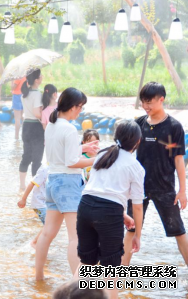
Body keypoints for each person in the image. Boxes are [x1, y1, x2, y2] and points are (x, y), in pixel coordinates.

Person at [35, 87, 99, 281]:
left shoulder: (52, 125)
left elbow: (63, 154)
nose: (81, 112)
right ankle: (77, 283)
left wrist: (83, 147)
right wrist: (95, 161)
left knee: (47, 233)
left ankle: (38, 277)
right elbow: (71, 162)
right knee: (75, 237)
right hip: (68, 184)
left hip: (53, 182)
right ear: (73, 107)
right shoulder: (70, 129)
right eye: (80, 108)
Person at [76, 120, 144, 299]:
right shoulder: (135, 166)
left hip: (85, 207)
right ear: (137, 142)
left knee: (86, 264)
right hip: (108, 213)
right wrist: (138, 234)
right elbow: (137, 207)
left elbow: (99, 190)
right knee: (110, 271)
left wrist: (121, 215)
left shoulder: (103, 153)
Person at [123, 82, 187, 265]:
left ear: (162, 99)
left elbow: (178, 159)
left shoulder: (174, 127)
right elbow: (126, 155)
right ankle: (118, 280)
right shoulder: (138, 125)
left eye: (149, 101)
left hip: (165, 187)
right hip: (137, 186)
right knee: (131, 231)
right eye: (143, 101)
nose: (145, 106)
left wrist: (182, 190)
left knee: (179, 232)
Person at [19, 69, 44, 191]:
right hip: (36, 127)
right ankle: (35, 188)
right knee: (37, 158)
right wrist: (44, 114)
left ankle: (22, 185)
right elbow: (36, 113)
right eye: (40, 76)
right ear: (36, 80)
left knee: (26, 156)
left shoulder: (25, 94)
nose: (42, 77)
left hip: (26, 126)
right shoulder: (37, 94)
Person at [17, 164, 48, 248]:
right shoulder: (45, 169)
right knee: (49, 225)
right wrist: (23, 199)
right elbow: (32, 183)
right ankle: (35, 242)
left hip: (48, 203)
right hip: (40, 204)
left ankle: (39, 244)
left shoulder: (59, 167)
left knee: (50, 225)